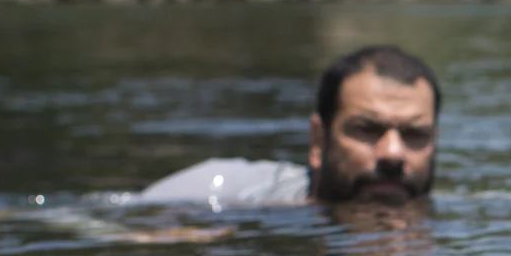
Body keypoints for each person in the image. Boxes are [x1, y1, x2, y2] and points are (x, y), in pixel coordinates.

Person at [137, 45, 440, 210]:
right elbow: (102, 221)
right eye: (367, 129)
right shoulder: (224, 190)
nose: (393, 153)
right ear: (318, 140)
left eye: (415, 135)